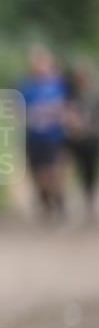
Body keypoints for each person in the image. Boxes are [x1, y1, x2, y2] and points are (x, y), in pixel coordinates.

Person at [18, 44, 69, 220]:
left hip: (54, 137)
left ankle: (59, 202)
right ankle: (46, 203)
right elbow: (20, 110)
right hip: (34, 137)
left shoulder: (59, 85)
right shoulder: (27, 87)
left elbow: (65, 108)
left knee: (54, 172)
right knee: (38, 173)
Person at [64, 57, 99, 219]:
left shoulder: (94, 96)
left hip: (90, 138)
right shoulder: (70, 94)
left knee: (88, 170)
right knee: (66, 167)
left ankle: (88, 199)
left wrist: (86, 127)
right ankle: (63, 199)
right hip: (71, 138)